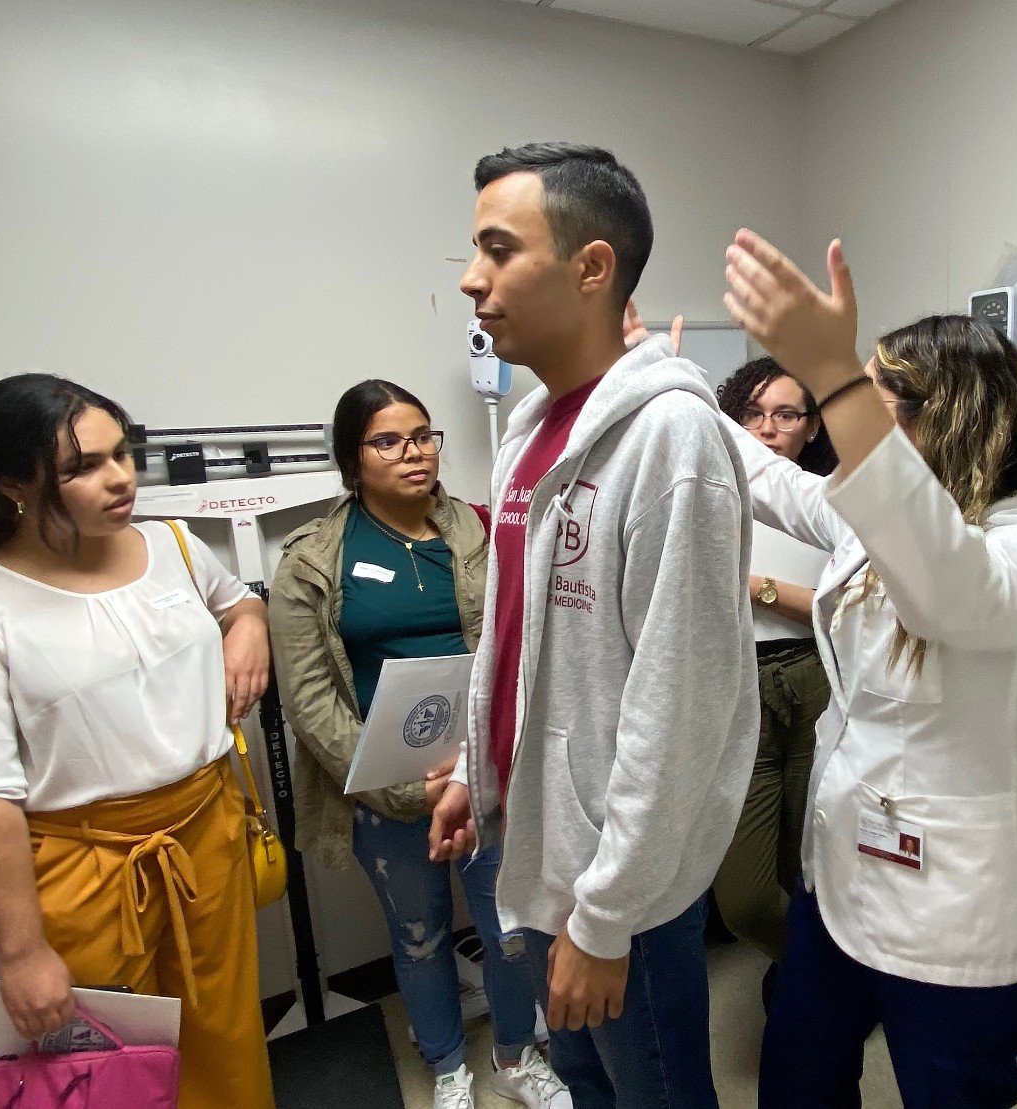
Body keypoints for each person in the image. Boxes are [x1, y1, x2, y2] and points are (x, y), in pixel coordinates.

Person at [721, 230, 1017, 1106]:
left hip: (951, 909)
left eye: (878, 403)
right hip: (842, 869)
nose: (845, 428)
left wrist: (836, 375)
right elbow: (768, 478)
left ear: (954, 413)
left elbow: (946, 590)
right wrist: (658, 379)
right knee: (797, 1081)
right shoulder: (887, 513)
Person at [428, 142, 757, 1109]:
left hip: (621, 889)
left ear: (592, 266)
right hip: (540, 848)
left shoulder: (672, 438)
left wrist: (606, 918)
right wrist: (476, 769)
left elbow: (679, 705)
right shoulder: (532, 428)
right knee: (585, 1085)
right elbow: (520, 641)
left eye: (497, 249)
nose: (471, 279)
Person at [0, 374, 275, 1109]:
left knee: (224, 1034)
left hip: (207, 838)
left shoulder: (172, 543)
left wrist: (248, 627)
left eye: (123, 453)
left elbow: (236, 602)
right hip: (85, 871)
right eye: (83, 466)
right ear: (12, 486)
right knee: (113, 1073)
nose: (121, 477)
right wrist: (21, 952)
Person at [269, 380, 567, 1109]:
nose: (414, 453)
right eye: (388, 441)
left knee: (511, 927)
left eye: (423, 435)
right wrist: (404, 787)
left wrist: (479, 765)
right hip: (384, 786)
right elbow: (309, 700)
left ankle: (514, 1055)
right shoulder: (313, 559)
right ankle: (446, 1065)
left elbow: (520, 640)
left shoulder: (480, 529)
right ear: (352, 459)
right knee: (419, 933)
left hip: (486, 771)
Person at [710, 357, 837, 976]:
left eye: (785, 415)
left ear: (812, 426)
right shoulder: (711, 498)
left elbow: (849, 612)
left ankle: (800, 996)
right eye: (751, 414)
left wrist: (758, 588)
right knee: (747, 898)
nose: (766, 429)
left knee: (806, 866)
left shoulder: (830, 502)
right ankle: (824, 978)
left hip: (818, 681)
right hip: (735, 687)